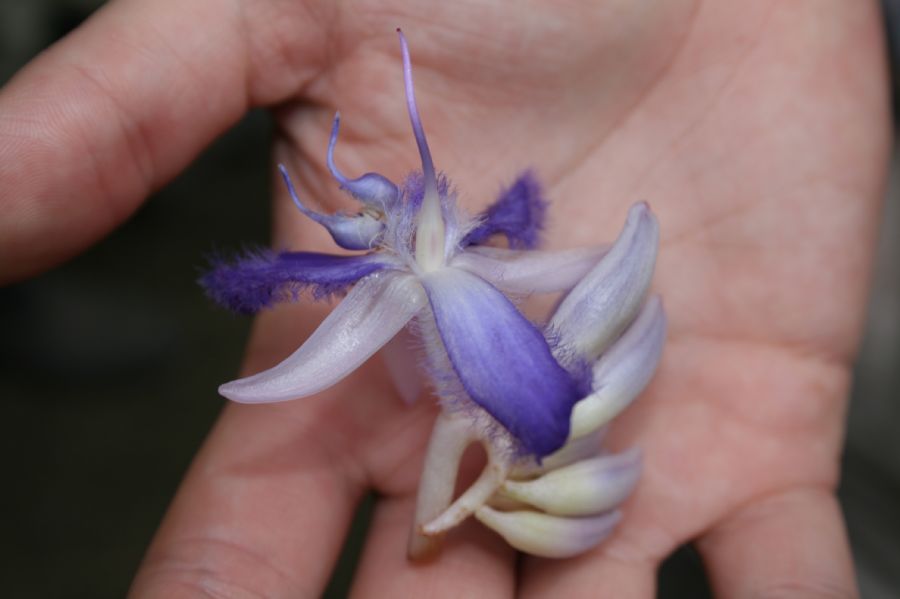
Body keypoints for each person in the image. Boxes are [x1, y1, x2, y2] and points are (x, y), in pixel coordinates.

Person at [0, 1, 889, 596]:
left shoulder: (449, 280)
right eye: (378, 208)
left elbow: (574, 315)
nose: (388, 197)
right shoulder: (415, 285)